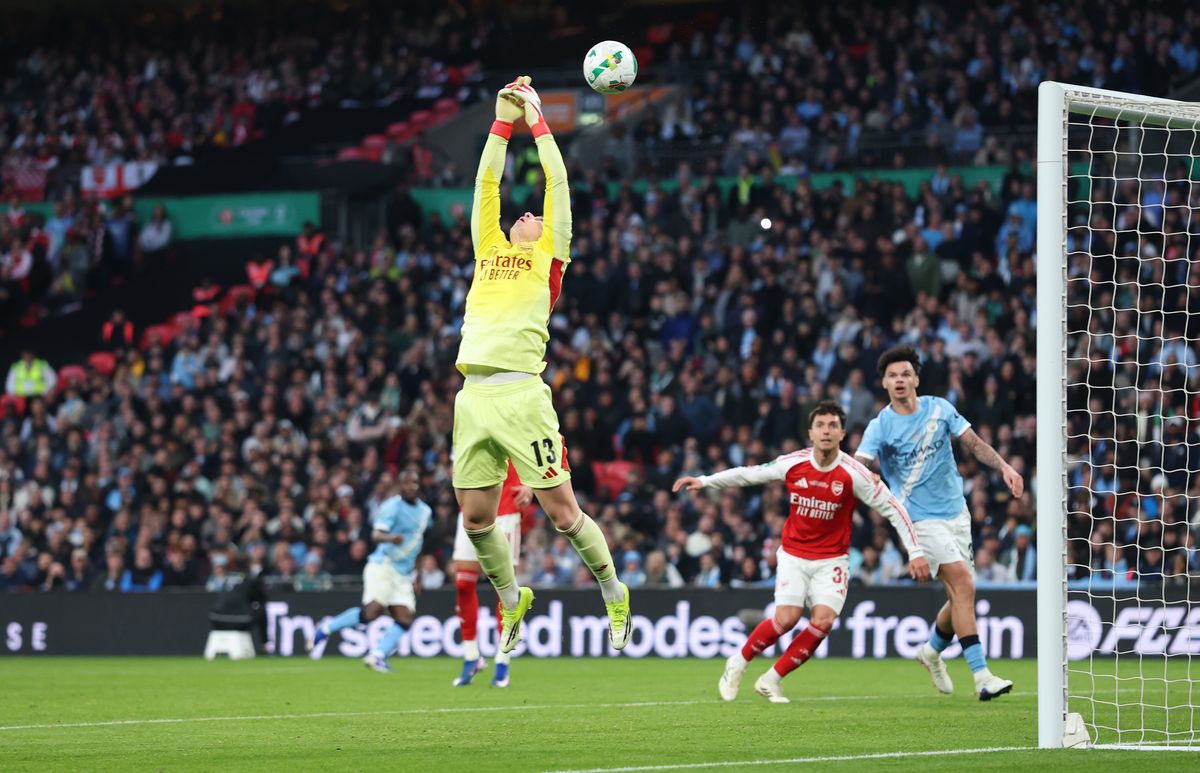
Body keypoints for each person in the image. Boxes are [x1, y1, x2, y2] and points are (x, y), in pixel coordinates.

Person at [452, 75, 629, 656]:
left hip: (522, 394)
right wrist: (500, 121)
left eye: (534, 216)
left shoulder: (550, 255)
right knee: (476, 519)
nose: (526, 213)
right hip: (472, 396)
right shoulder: (489, 248)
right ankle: (511, 600)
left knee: (563, 512)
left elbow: (557, 180)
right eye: (520, 213)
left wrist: (536, 120)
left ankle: (612, 590)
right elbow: (486, 181)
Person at [674, 400, 929, 704]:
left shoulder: (855, 474)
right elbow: (748, 474)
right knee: (786, 619)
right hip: (794, 554)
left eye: (832, 425)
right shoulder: (793, 463)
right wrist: (704, 481)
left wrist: (915, 551)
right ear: (810, 433)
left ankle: (771, 679)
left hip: (832, 559)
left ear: (842, 434)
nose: (826, 431)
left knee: (823, 622)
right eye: (820, 425)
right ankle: (737, 663)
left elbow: (894, 509)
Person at [855, 345, 1024, 701]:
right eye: (892, 376)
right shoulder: (880, 426)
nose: (899, 380)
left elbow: (974, 444)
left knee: (960, 595)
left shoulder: (939, 408)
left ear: (915, 379)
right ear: (885, 383)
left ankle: (931, 652)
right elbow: (861, 463)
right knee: (962, 584)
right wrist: (865, 476)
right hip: (917, 520)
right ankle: (982, 676)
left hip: (956, 514)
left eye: (905, 374)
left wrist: (1005, 466)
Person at [307, 470, 431, 672]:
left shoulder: (426, 512)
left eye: (415, 483)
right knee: (373, 612)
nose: (411, 487)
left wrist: (418, 575)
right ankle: (326, 628)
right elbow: (376, 534)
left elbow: (419, 543)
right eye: (407, 483)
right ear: (401, 486)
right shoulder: (392, 506)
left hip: (403, 573)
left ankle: (377, 655)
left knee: (405, 617)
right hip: (383, 565)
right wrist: (392, 538)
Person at [451, 460, 531, 687]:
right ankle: (471, 657)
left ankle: (503, 661)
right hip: (471, 508)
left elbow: (533, 449)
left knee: (505, 590)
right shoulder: (463, 425)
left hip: (506, 509)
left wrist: (530, 486)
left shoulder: (516, 422)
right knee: (463, 584)